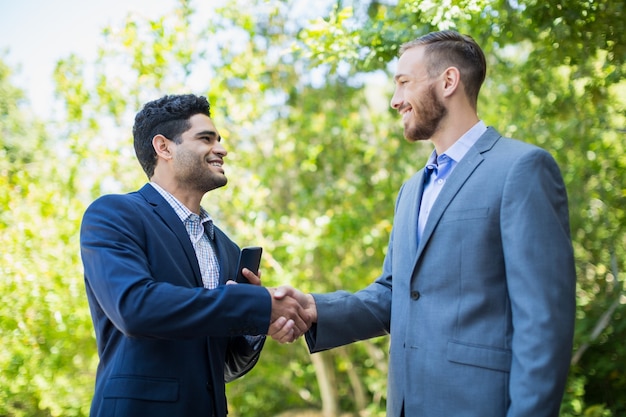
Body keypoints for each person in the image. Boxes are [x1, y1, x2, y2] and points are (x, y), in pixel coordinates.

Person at [273, 30, 576, 417]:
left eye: (403, 83)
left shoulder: (521, 168)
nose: (395, 101)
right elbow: (393, 294)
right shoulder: (410, 190)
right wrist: (314, 307)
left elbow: (544, 322)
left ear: (448, 81)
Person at [80, 94, 310, 417]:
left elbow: (224, 366)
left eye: (219, 139)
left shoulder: (226, 248)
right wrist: (256, 305)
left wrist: (256, 324)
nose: (221, 149)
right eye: (206, 138)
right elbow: (135, 307)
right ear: (164, 147)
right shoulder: (114, 214)